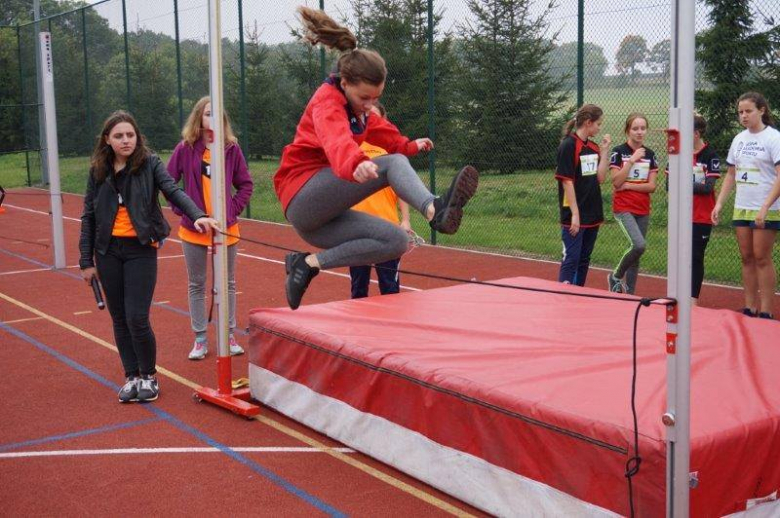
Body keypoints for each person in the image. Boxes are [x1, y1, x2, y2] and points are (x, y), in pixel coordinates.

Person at [275, 6, 479, 310]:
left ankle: (307, 264)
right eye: (364, 98)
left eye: (376, 98)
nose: (370, 105)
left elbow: (385, 134)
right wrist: (356, 163)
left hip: (320, 223)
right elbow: (336, 140)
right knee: (392, 164)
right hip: (302, 194)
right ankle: (435, 209)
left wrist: (410, 146)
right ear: (344, 83)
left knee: (396, 241)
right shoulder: (327, 103)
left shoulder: (362, 110)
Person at [79, 111, 219, 403]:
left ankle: (149, 376)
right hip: (107, 252)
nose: (126, 140)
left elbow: (173, 191)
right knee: (119, 318)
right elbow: (89, 216)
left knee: (137, 317)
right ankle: (131, 376)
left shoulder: (150, 163)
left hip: (140, 249)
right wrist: (86, 261)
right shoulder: (98, 171)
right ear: (107, 140)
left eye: (130, 135)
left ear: (137, 137)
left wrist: (198, 216)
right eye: (119, 136)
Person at [167, 97, 254, 360]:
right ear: (199, 118)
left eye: (216, 114)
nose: (212, 118)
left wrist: (231, 210)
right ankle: (200, 339)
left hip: (226, 230)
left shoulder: (230, 149)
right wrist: (186, 212)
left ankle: (228, 335)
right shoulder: (185, 148)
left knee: (226, 284)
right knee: (197, 284)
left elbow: (246, 184)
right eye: (207, 113)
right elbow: (169, 184)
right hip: (194, 230)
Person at [712, 92, 780, 319]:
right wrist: (720, 203)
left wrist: (765, 207)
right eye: (740, 112)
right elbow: (731, 174)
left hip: (767, 208)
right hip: (742, 206)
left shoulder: (773, 138)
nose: (744, 116)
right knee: (746, 256)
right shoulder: (739, 139)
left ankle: (767, 310)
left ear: (761, 110)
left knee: (762, 257)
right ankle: (750, 308)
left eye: (748, 111)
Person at [349, 103, 411, 298]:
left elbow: (401, 188)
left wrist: (406, 220)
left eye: (374, 116)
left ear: (384, 120)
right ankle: (359, 328)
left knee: (390, 289)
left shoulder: (391, 149)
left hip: (387, 228)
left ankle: (393, 327)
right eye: (366, 115)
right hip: (357, 229)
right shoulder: (352, 145)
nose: (369, 120)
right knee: (358, 289)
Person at [665, 114, 721, 305]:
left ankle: (692, 300)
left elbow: (707, 188)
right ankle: (676, 295)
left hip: (701, 216)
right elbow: (668, 185)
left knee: (695, 257)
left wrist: (681, 181)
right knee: (677, 256)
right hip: (680, 216)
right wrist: (684, 183)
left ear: (695, 134)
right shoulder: (676, 155)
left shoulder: (710, 156)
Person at [555, 104, 612, 286]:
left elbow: (601, 177)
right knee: (571, 258)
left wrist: (604, 153)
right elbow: (567, 181)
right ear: (588, 122)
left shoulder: (593, 147)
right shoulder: (568, 146)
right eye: (598, 123)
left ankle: (578, 295)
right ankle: (564, 296)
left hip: (592, 212)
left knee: (584, 259)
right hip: (574, 214)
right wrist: (575, 214)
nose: (599, 128)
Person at [607, 113, 659, 294]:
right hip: (624, 208)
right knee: (639, 245)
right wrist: (631, 160)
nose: (639, 132)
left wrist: (628, 184)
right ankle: (615, 275)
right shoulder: (618, 152)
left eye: (643, 128)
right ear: (627, 130)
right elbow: (615, 181)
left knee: (637, 256)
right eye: (635, 128)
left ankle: (630, 294)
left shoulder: (651, 155)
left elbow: (652, 186)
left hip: (643, 209)